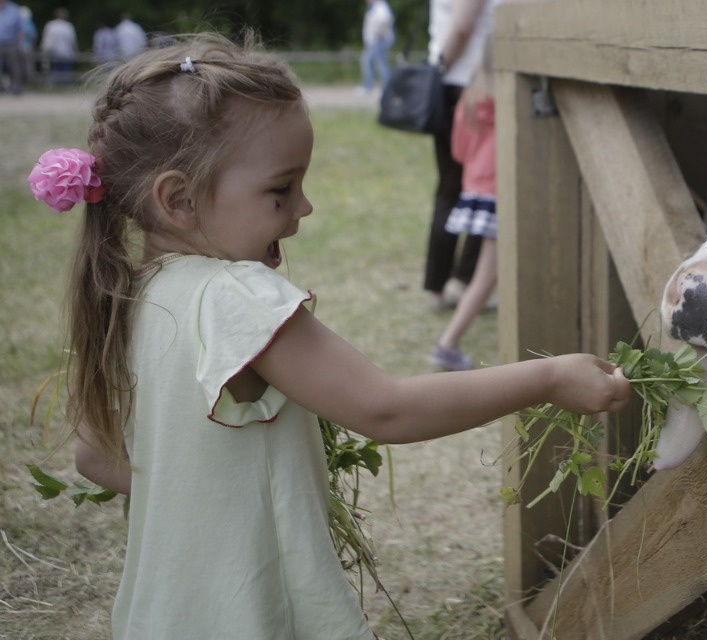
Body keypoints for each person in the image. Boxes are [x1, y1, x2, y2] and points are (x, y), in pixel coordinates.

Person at [27, 33, 630, 639]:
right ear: (180, 199)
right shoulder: (235, 297)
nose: (304, 206)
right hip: (252, 616)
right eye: (281, 189)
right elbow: (386, 410)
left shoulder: (128, 297)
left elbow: (94, 457)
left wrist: (202, 495)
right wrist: (549, 377)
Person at [422, 0, 494, 311]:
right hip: (472, 85)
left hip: (457, 83)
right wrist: (441, 66)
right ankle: (463, 282)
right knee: (484, 188)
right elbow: (463, 27)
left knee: (450, 189)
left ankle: (441, 283)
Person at [430, 39, 495, 371]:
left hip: (477, 188)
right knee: (486, 277)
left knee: (488, 275)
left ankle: (448, 345)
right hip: (499, 190)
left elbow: (458, 151)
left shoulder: (469, 98)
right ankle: (447, 344)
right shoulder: (504, 101)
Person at [359, 0, 394, 96]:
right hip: (374, 40)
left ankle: (378, 88)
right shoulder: (375, 7)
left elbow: (385, 19)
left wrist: (379, 34)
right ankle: (370, 87)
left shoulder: (380, 6)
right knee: (371, 62)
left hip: (378, 40)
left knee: (378, 64)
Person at [39, 7, 76, 85]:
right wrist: (76, 51)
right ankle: (64, 85)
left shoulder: (50, 25)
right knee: (66, 71)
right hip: (66, 52)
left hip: (53, 52)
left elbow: (45, 38)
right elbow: (72, 41)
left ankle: (55, 85)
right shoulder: (68, 26)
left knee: (55, 69)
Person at [0, 0, 23, 94]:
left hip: (11, 43)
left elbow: (20, 28)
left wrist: (17, 43)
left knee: (14, 67)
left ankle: (16, 88)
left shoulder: (14, 9)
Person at [17, 5, 34, 85]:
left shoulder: (19, 24)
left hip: (20, 47)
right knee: (27, 65)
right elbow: (34, 36)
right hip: (27, 47)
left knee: (20, 65)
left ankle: (23, 80)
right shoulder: (30, 24)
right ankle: (27, 80)